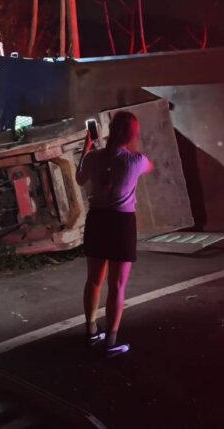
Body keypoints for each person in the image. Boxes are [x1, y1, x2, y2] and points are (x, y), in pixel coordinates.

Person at [76, 111, 154, 357]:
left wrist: (87, 150)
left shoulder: (92, 158)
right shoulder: (136, 160)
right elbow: (150, 167)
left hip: (97, 220)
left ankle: (91, 331)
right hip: (121, 223)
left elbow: (80, 179)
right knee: (117, 285)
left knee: (94, 281)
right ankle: (111, 342)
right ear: (132, 134)